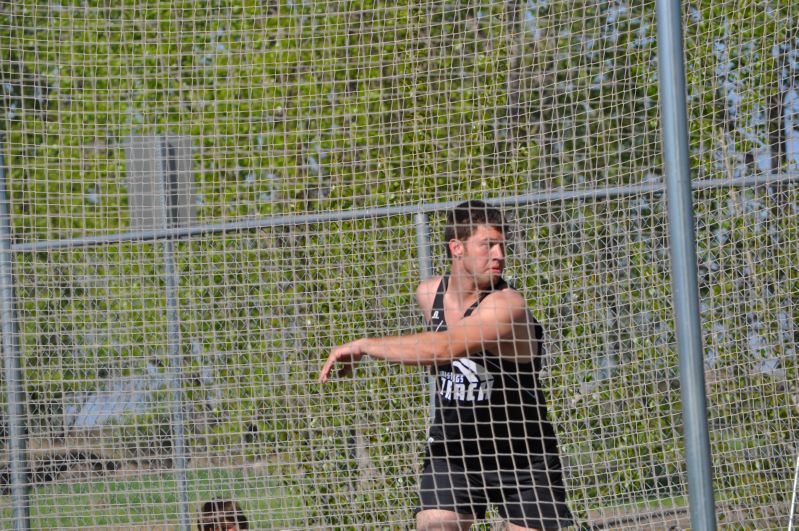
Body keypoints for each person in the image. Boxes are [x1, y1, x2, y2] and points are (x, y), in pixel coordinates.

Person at [319, 200, 574, 530]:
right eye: (488, 245)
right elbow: (439, 359)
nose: (499, 255)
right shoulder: (429, 294)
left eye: (502, 245)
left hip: (521, 456)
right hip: (455, 453)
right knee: (434, 525)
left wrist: (365, 345)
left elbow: (444, 348)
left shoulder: (508, 306)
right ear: (457, 247)